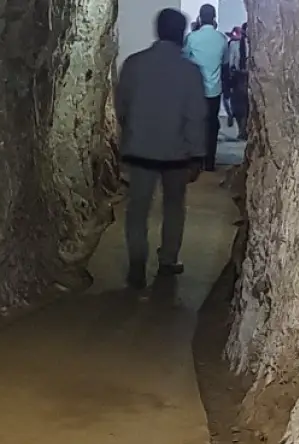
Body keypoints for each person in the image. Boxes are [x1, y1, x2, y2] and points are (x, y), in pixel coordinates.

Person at [115, 8, 207, 289]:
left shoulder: (133, 64)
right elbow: (195, 116)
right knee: (174, 207)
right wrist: (197, 154)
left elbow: (122, 106)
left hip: (140, 150)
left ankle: (137, 262)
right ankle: (168, 259)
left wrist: (130, 134)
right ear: (181, 33)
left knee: (138, 209)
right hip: (176, 153)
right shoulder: (190, 72)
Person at [183, 4, 227, 171]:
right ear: (214, 17)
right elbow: (225, 63)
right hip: (214, 90)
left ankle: (196, 160)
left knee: (195, 125)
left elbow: (184, 60)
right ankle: (210, 162)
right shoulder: (221, 39)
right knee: (212, 125)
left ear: (200, 18)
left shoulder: (192, 38)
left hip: (195, 90)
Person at [221, 26, 243, 126]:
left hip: (234, 73)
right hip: (232, 73)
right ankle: (231, 114)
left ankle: (232, 115)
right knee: (228, 96)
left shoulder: (234, 44)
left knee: (230, 97)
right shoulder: (231, 44)